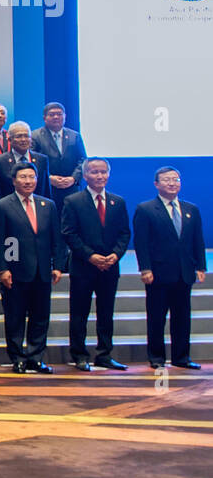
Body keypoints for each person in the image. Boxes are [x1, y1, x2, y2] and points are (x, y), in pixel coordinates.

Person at [0, 164, 65, 374]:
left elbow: (56, 238)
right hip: (16, 271)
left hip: (43, 271)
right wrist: (4, 269)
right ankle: (17, 358)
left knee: (40, 317)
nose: (28, 181)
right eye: (23, 177)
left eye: (32, 177)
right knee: (15, 317)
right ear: (14, 180)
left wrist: (58, 265)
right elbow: (3, 240)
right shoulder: (4, 205)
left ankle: (35, 357)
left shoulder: (47, 205)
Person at [61, 158, 130, 371]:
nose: (100, 176)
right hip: (83, 266)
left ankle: (104, 354)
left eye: (103, 172)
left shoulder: (117, 202)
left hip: (110, 266)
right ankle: (79, 354)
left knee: (106, 311)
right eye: (94, 172)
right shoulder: (73, 201)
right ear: (85, 175)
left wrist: (115, 255)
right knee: (80, 312)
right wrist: (91, 256)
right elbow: (69, 233)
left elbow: (124, 233)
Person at [133, 167, 206, 370]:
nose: (172, 183)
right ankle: (156, 357)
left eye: (175, 179)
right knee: (157, 317)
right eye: (167, 180)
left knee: (182, 317)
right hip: (158, 273)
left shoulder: (191, 209)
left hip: (184, 272)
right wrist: (145, 268)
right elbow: (141, 242)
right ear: (156, 184)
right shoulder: (146, 209)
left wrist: (201, 266)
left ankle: (181, 357)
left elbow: (197, 240)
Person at [31, 102, 87, 208]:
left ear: (65, 116)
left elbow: (83, 160)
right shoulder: (35, 136)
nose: (56, 117)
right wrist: (49, 178)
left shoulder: (74, 136)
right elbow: (33, 161)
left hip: (71, 188)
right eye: (52, 114)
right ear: (44, 118)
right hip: (47, 188)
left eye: (59, 114)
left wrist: (73, 178)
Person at [0, 121, 51, 199]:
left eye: (26, 136)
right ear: (9, 139)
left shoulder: (42, 160)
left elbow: (46, 190)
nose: (23, 139)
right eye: (19, 136)